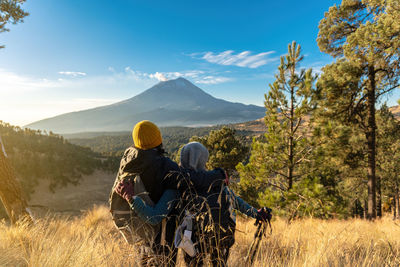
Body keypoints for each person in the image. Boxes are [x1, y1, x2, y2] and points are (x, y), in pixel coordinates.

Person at [121, 141, 271, 266]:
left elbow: (154, 217)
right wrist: (257, 213)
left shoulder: (179, 186)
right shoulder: (216, 181)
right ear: (203, 159)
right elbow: (238, 203)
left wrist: (131, 199)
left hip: (192, 244)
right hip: (222, 239)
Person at [110, 121, 226, 266]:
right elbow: (192, 179)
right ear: (157, 139)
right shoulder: (163, 166)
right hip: (161, 235)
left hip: (140, 230)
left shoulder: (129, 157)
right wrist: (218, 174)